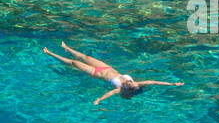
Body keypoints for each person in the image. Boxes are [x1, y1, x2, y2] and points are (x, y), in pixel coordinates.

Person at [43, 42, 182, 104]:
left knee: (73, 63)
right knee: (86, 57)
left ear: (127, 88)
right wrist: (172, 83)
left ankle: (50, 53)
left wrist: (99, 100)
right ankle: (67, 48)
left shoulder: (119, 88)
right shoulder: (137, 84)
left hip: (95, 73)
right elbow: (153, 82)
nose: (130, 81)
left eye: (130, 83)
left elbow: (108, 94)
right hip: (106, 67)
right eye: (131, 82)